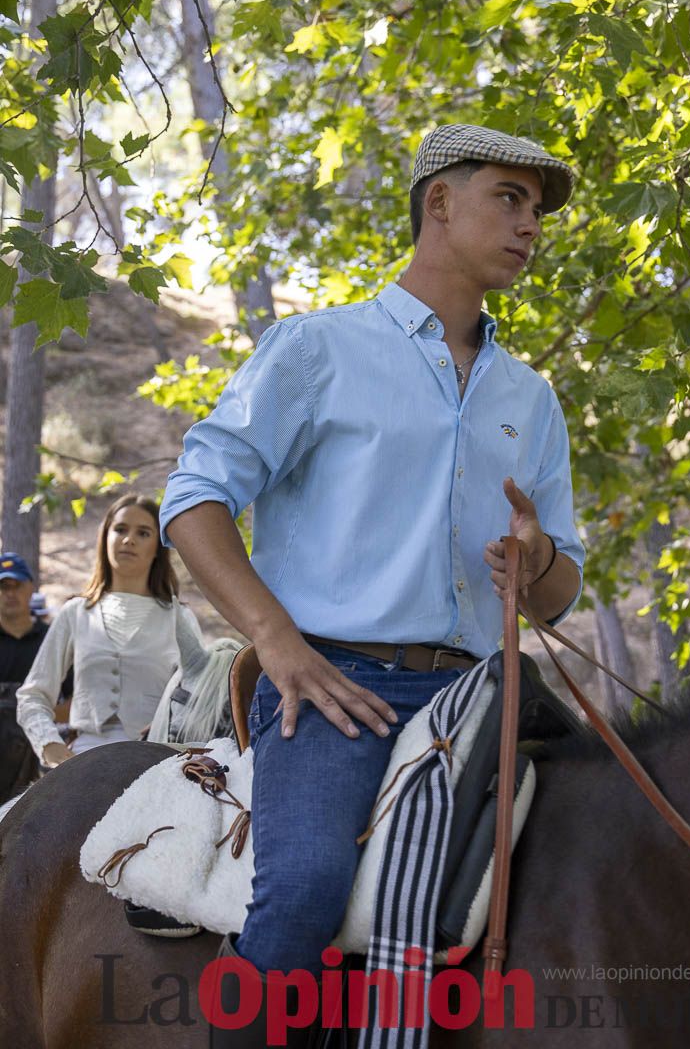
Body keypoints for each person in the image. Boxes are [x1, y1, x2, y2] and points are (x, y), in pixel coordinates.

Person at [160, 124, 585, 1047]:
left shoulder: (532, 398)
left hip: (484, 692)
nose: (531, 227)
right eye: (509, 199)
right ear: (439, 201)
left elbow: (559, 595)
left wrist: (535, 562)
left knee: (603, 851)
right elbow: (194, 498)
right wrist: (276, 642)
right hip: (336, 685)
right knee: (308, 887)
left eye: (537, 211)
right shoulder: (319, 349)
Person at [17, 494, 208, 768]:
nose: (128, 539)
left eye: (143, 533)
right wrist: (49, 744)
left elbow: (201, 700)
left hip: (158, 762)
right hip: (81, 761)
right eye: (120, 529)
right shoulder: (75, 613)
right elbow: (32, 695)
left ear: (158, 548)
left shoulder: (179, 617)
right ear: (105, 537)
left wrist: (171, 725)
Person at [0, 553, 52, 803]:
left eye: (17, 585)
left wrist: (34, 711)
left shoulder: (50, 639)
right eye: (3, 586)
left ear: (31, 588)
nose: (10, 593)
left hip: (36, 755)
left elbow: (73, 702)